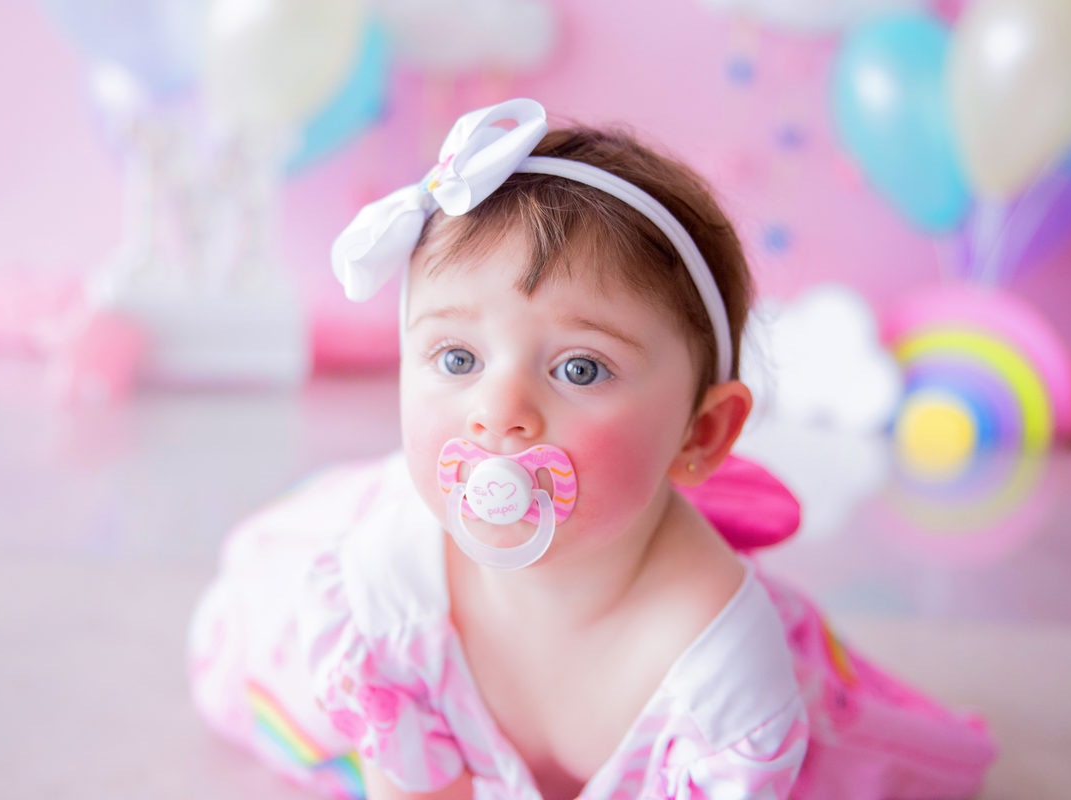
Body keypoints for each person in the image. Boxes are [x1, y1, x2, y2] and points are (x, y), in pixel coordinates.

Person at [189, 99, 994, 800]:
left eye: (580, 368)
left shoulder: (716, 684)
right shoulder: (386, 588)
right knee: (249, 659)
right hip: (393, 555)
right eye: (457, 359)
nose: (498, 414)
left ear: (700, 431)